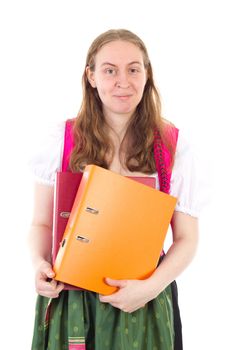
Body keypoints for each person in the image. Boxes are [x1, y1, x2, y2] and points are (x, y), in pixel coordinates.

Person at [29, 29, 201, 350]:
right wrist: (39, 265)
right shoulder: (61, 140)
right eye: (110, 70)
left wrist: (150, 288)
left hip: (145, 296)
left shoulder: (171, 145)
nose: (123, 81)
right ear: (91, 77)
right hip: (73, 298)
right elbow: (41, 223)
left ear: (146, 75)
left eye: (133, 69)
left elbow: (187, 238)